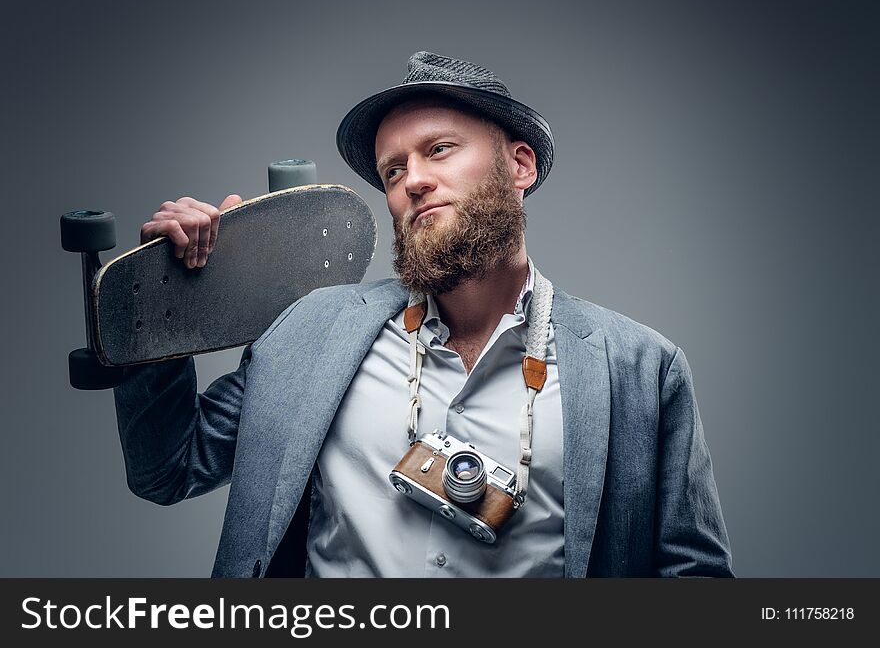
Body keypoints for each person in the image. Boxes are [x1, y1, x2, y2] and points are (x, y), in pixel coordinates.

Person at [117, 51, 734, 577]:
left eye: (438, 150)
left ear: (521, 166)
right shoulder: (310, 331)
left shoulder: (640, 368)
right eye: (393, 170)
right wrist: (165, 304)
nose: (412, 180)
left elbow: (694, 578)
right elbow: (167, 470)